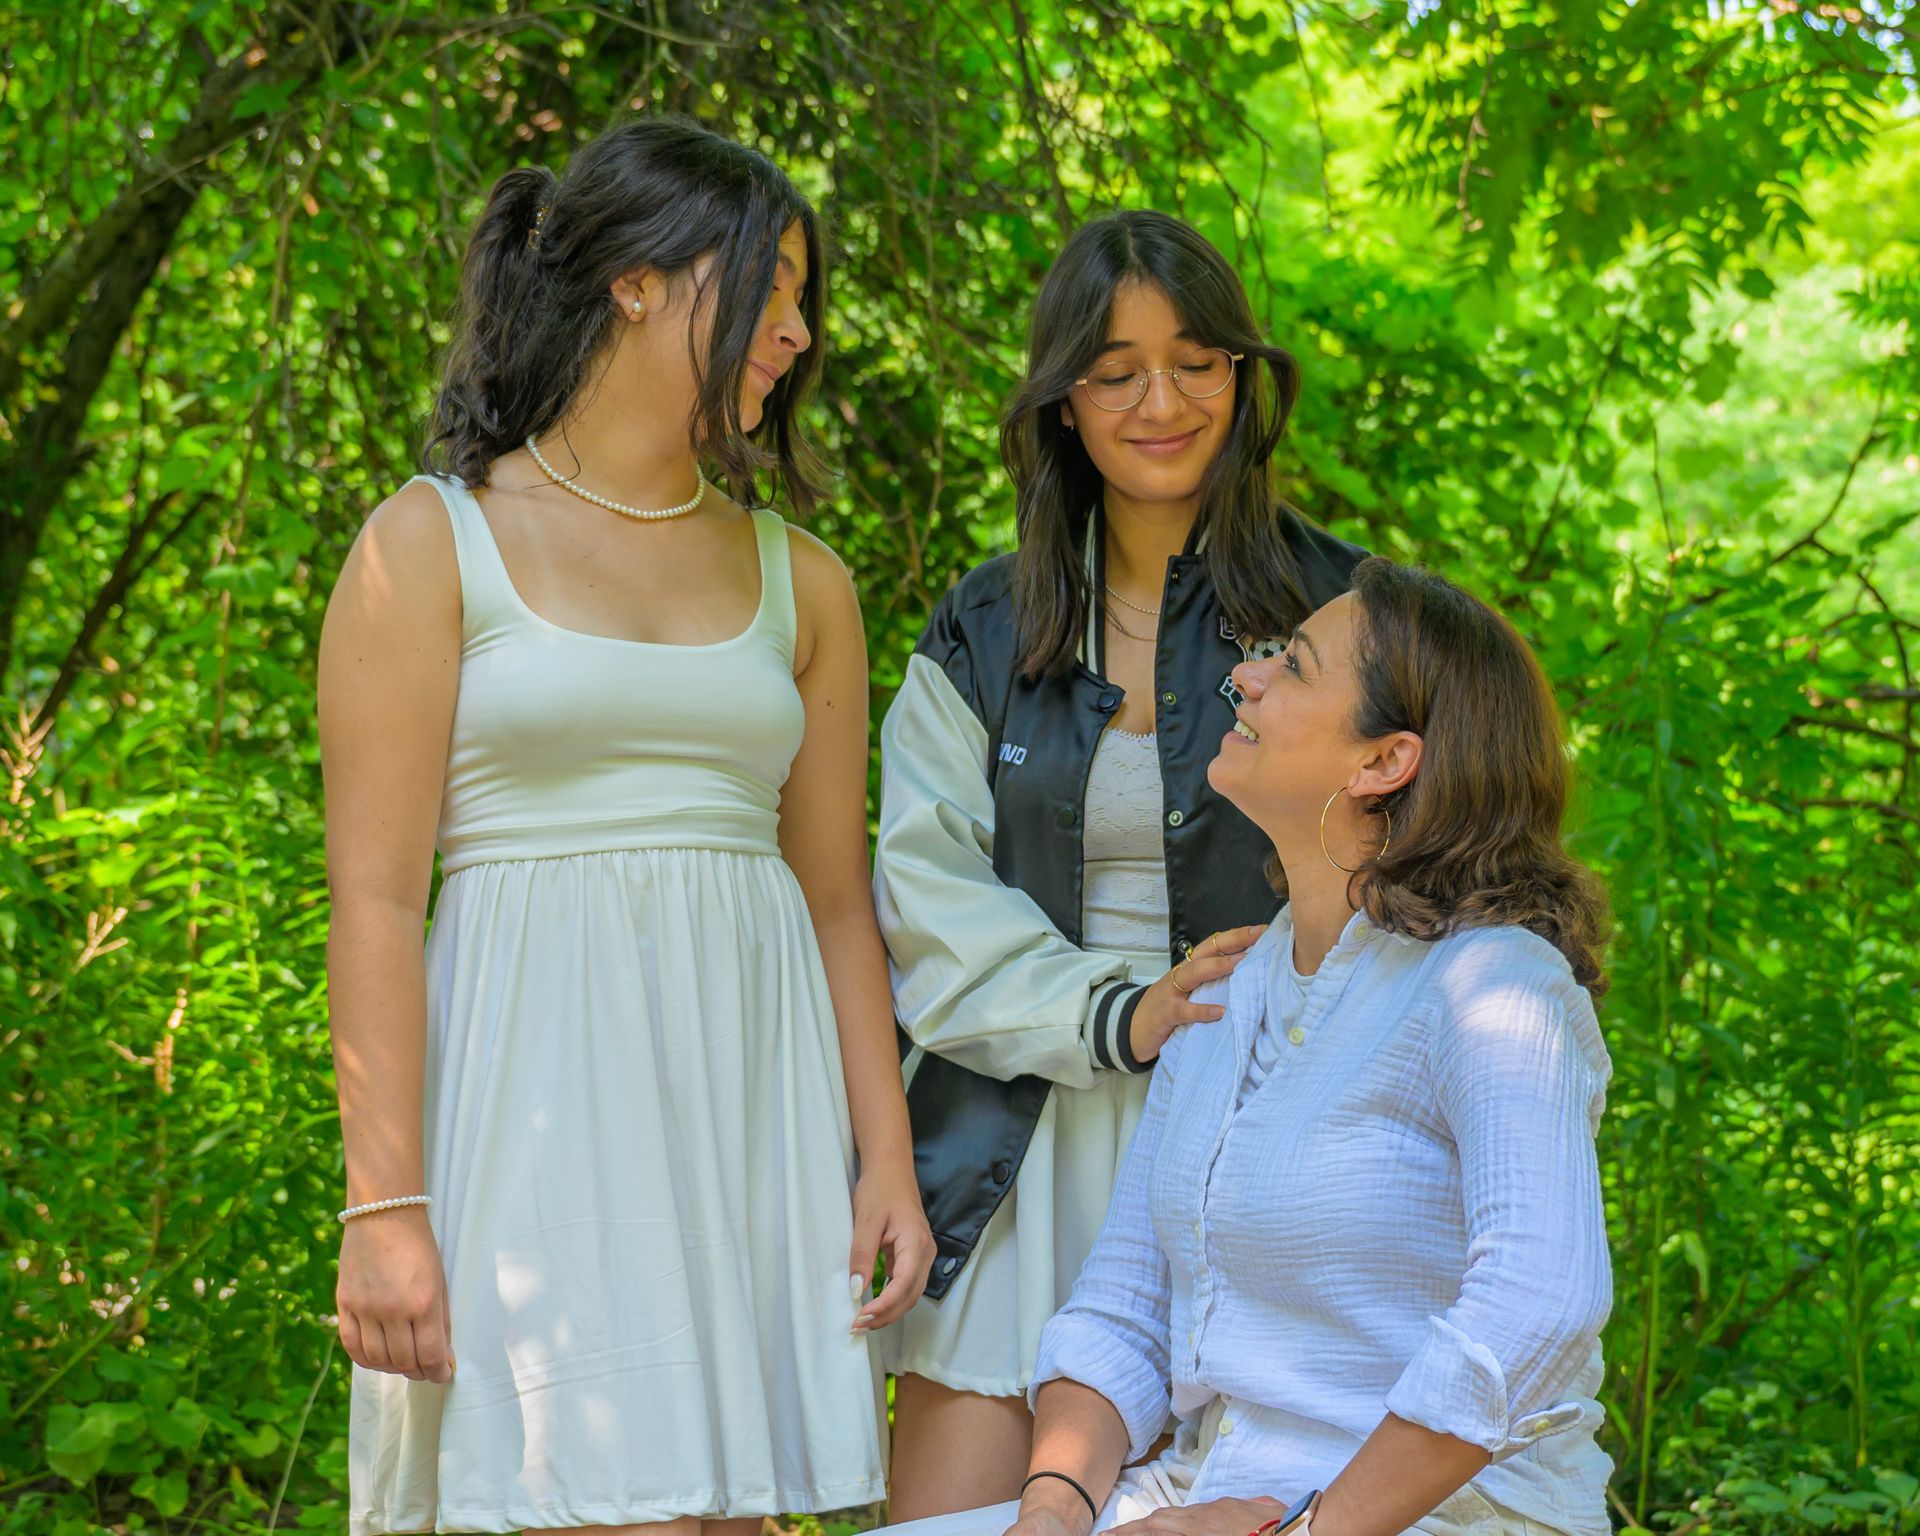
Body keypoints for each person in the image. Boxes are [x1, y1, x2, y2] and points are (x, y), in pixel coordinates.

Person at [318, 116, 932, 1536]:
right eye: (766, 285)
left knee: (729, 1518)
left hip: (747, 1120)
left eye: (803, 299)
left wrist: (884, 1159)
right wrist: (383, 1204)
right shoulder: (428, 544)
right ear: (637, 282)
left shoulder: (807, 582)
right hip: (531, 1125)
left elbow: (839, 900)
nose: (794, 332)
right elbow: (371, 900)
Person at [872, 210, 1366, 1521]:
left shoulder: (1350, 614)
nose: (1164, 400)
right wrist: (1123, 1011)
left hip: (1267, 1150)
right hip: (1015, 1155)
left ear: (1244, 377)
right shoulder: (982, 629)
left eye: (1198, 359)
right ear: (1061, 401)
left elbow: (1420, 881)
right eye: (1116, 369)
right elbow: (925, 909)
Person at [996, 557, 1615, 1536]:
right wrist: (1050, 1512)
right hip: (1201, 1500)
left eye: (1295, 666)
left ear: (1383, 763)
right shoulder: (1229, 990)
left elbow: (1538, 1308)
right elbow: (1121, 1313)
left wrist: (1305, 1531)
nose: (1246, 674)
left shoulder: (1495, 987)